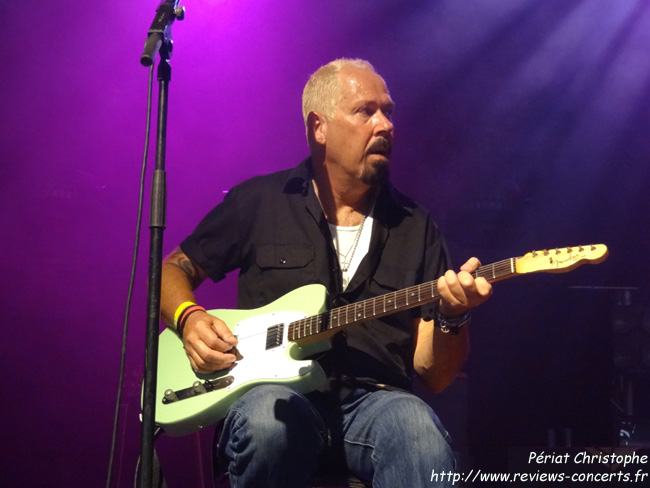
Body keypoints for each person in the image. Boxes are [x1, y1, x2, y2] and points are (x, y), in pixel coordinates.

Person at [160, 58, 492, 487]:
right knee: (267, 423)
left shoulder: (415, 225)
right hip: (273, 394)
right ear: (319, 127)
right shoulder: (260, 201)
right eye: (365, 111)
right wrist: (189, 318)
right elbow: (172, 270)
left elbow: (436, 374)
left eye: (388, 111)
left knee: (421, 436)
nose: (385, 125)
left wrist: (455, 317)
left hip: (378, 403)